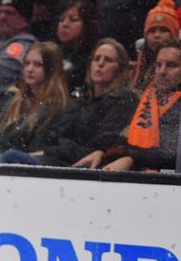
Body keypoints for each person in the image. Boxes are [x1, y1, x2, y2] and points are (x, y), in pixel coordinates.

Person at [28, 39, 139, 167]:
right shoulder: (81, 101)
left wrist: (54, 150)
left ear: (120, 69)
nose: (100, 64)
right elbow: (54, 136)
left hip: (84, 167)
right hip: (59, 160)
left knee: (12, 157)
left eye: (108, 60)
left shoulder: (125, 101)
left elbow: (99, 145)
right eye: (96, 59)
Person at [76, 41, 181, 172]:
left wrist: (131, 159)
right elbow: (122, 138)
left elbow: (172, 152)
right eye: (158, 65)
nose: (162, 71)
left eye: (171, 65)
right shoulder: (145, 99)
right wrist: (103, 153)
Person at [0, 41, 69, 164]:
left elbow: (39, 151)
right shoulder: (13, 103)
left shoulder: (58, 109)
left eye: (37, 65)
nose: (29, 69)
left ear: (51, 69)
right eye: (27, 63)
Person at [0, 0, 36, 109]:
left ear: (25, 20)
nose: (2, 17)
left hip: (2, 111)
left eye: (9, 13)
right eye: (0, 12)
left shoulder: (24, 45)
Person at [55, 0, 99, 98]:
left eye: (73, 20)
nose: (65, 24)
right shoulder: (54, 52)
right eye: (61, 20)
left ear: (88, 24)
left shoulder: (95, 57)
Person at [134, 0, 179, 92]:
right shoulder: (140, 66)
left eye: (163, 30)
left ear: (174, 34)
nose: (157, 35)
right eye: (152, 31)